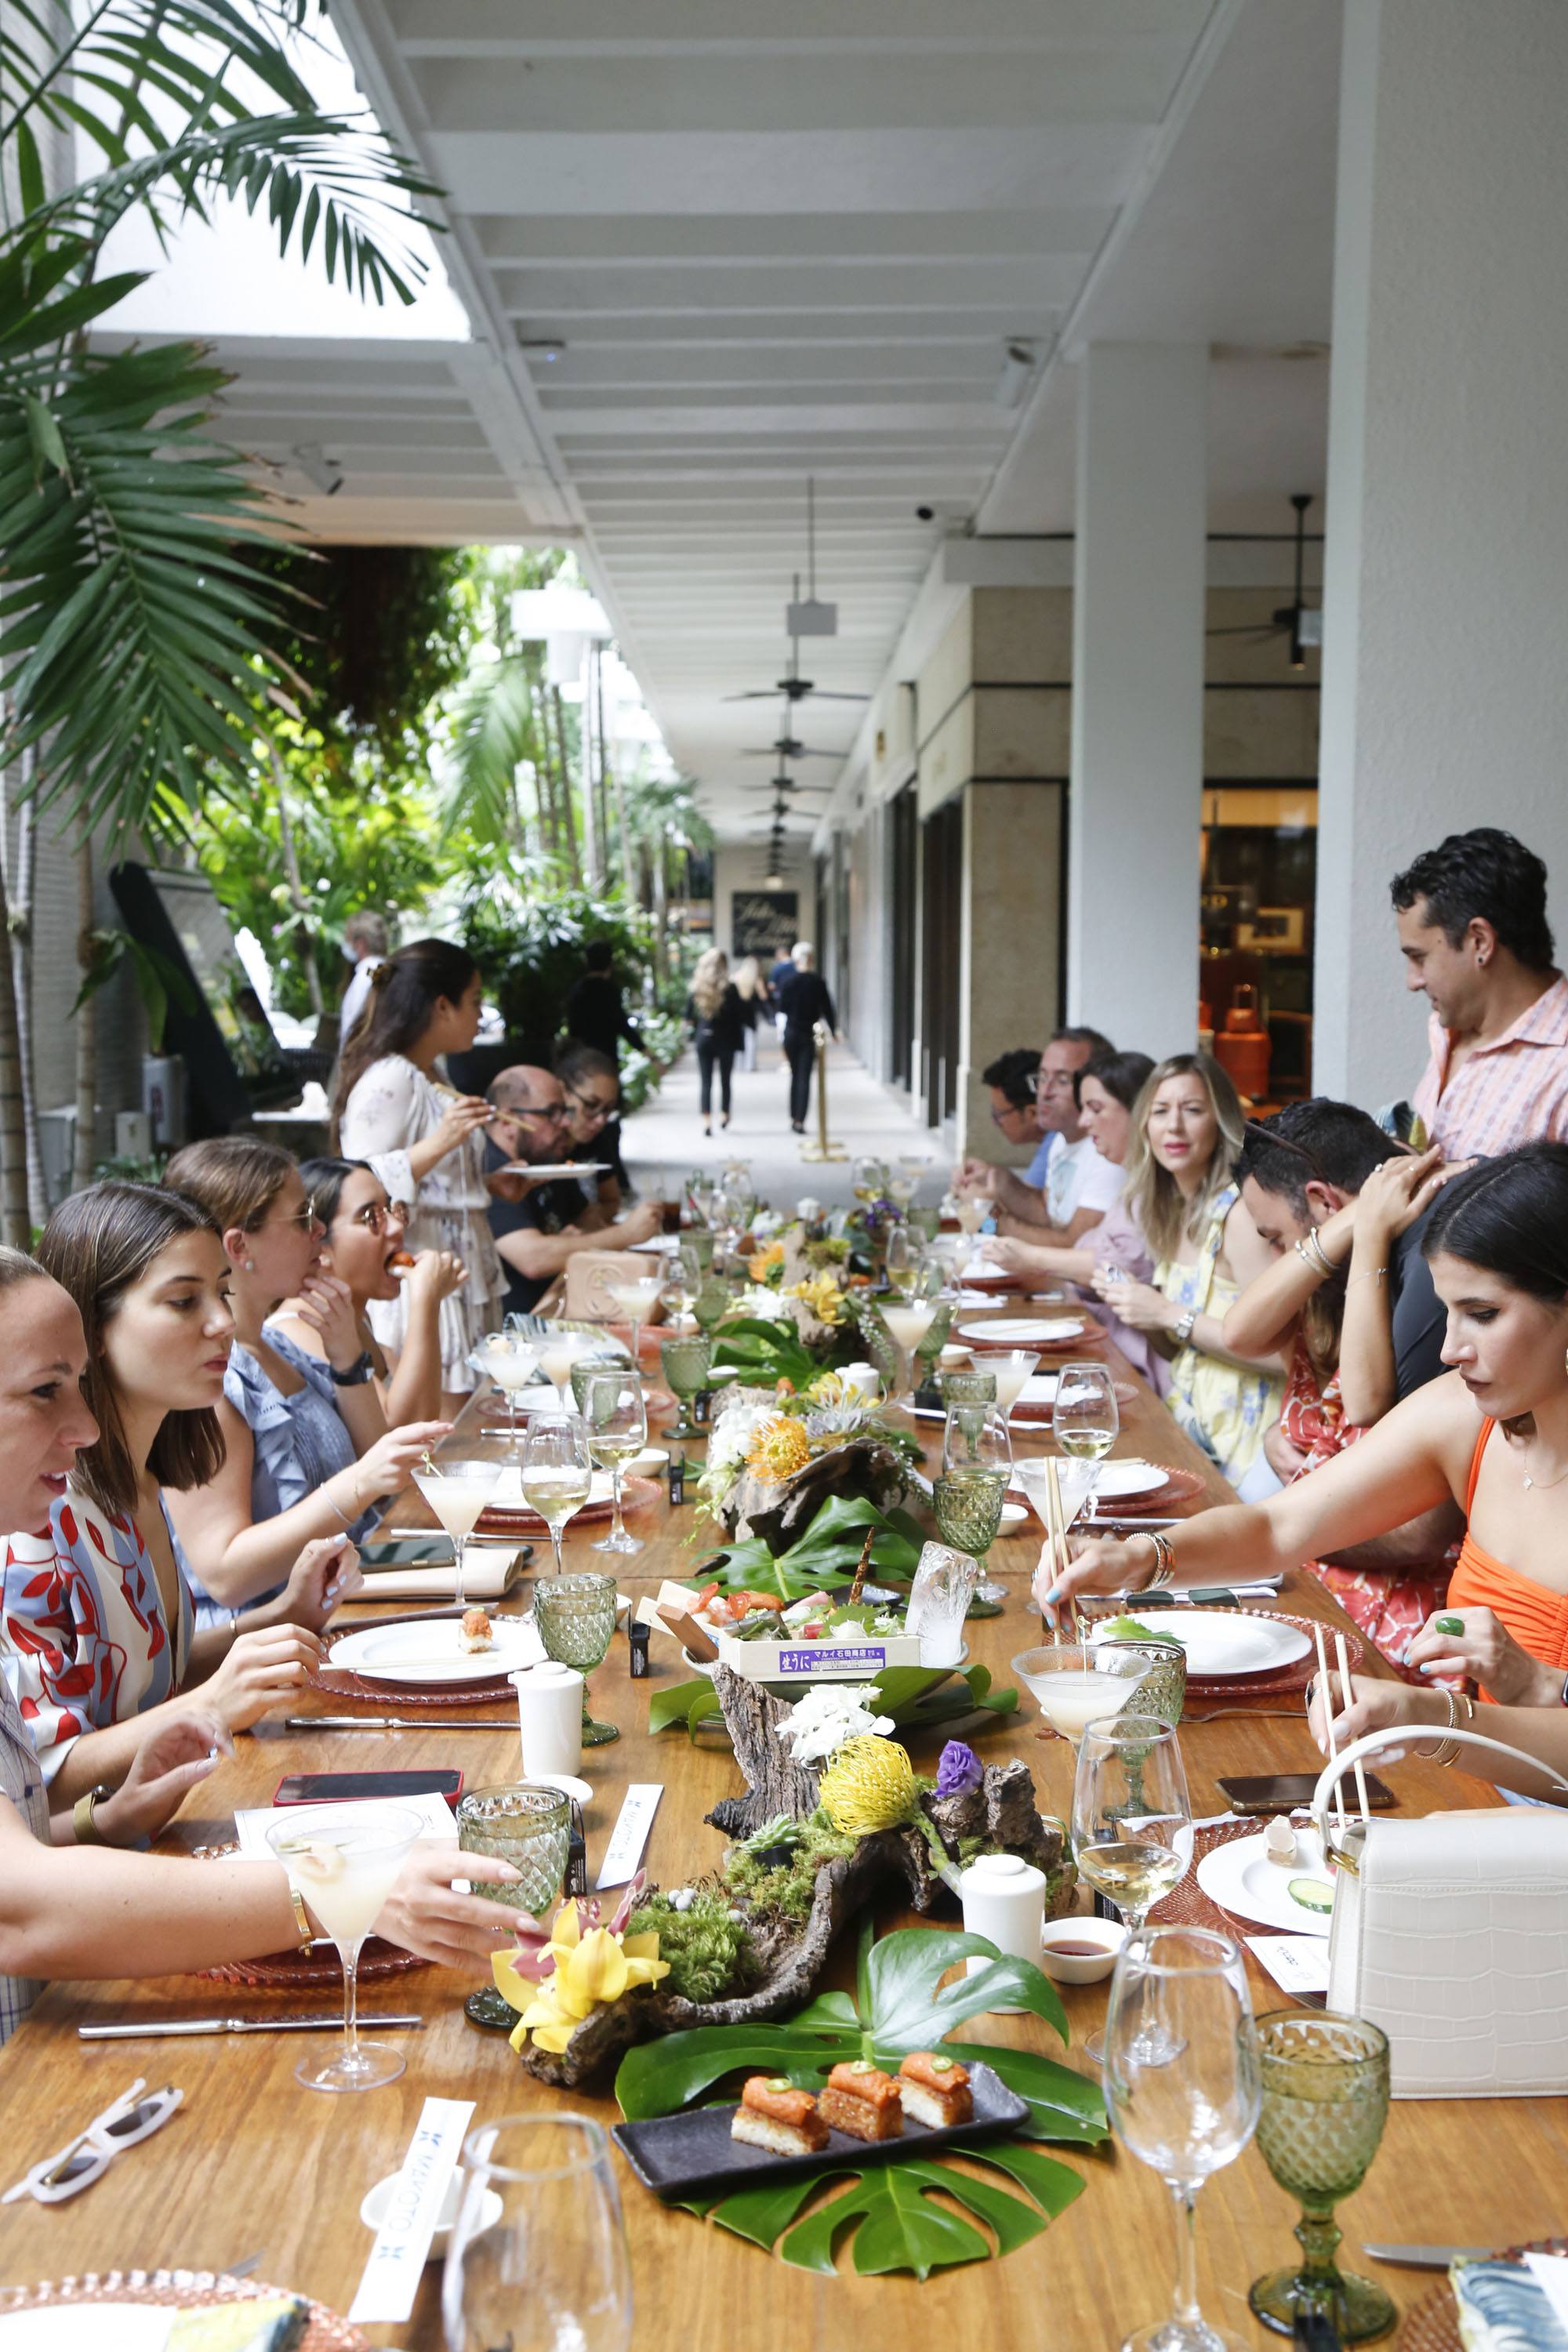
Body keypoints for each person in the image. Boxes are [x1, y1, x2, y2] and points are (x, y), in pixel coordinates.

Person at [0, 1243, 523, 2042]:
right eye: (44, 1393)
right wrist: (343, 1888)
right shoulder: (43, 1537)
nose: (79, 1427)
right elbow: (20, 1905)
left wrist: (104, 1823)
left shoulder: (120, 1494)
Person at [1036, 1146, 1568, 1715]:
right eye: (1448, 1313)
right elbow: (1277, 1526)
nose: (1449, 1349)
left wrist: (1528, 1691)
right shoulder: (1468, 1418)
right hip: (1475, 1774)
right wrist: (1133, 1558)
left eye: (1483, 1314)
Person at [1, 1188, 348, 1795]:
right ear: (95, 1326)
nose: (222, 1323)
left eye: (222, 1292)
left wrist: (279, 1617)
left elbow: (146, 1675)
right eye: (185, 1301)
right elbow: (41, 1772)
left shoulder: (140, 1482)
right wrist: (213, 1701)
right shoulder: (35, 1519)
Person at [163, 1142, 449, 1625]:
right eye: (301, 1218)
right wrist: (355, 1486)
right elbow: (226, 1575)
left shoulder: (280, 1350)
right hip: (268, 1650)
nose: (318, 1233)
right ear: (239, 1247)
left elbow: (381, 1485)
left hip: (345, 1609)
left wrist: (346, 1356)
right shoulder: (212, 1384)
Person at [1221, 1103, 1461, 1666]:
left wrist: (1367, 1232)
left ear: (1323, 1199)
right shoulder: (1321, 1291)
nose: (1279, 1255)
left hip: (1366, 1586)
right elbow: (1241, 1332)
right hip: (1305, 1554)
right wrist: (1351, 1224)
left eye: (1274, 1237)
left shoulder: (1419, 1284)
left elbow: (1365, 1402)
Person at [1087, 1051, 1284, 1499]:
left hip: (1251, 1450)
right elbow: (1183, 1349)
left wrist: (1167, 1311)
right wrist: (1143, 1314)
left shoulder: (1238, 1215)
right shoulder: (1175, 1210)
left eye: (1192, 1110)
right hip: (1195, 1433)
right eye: (1160, 1112)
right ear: (1145, 1127)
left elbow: (1287, 1355)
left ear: (1221, 1122)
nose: (1174, 1126)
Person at [333, 938, 509, 1406]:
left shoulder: (431, 1073)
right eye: (475, 1000)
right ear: (442, 1005)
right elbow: (355, 1181)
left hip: (458, 1274)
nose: (480, 1012)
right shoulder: (391, 1078)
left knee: (469, 1422)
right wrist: (443, 1140)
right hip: (425, 1277)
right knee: (441, 1435)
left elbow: (437, 1182)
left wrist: (492, 1185)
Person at [982, 1051, 1164, 1386]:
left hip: (1129, 1364)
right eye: (1042, 1078)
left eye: (1094, 1109)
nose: (1084, 1121)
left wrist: (1027, 1253)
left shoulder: (1148, 1187)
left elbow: (1117, 1266)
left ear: (1139, 1111)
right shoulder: (1132, 1182)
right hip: (1099, 1342)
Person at [1393, 827, 1568, 1156]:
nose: (1412, 981)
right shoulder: (1447, 1030)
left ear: (1480, 941)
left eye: (1419, 957)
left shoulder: (1561, 1071)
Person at [270, 1157, 468, 1428]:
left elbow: (425, 1415)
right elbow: (400, 1430)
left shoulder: (354, 1317)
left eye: (391, 1209)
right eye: (372, 1217)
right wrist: (425, 1299)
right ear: (319, 1243)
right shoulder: (300, 1328)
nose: (398, 1228)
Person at [485, 1064, 660, 1316]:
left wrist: (567, 1242)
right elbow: (533, 1258)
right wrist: (627, 1234)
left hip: (571, 1301)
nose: (566, 1122)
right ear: (508, 1121)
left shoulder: (545, 1160)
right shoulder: (493, 1170)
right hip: (524, 1329)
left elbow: (589, 1218)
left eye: (565, 1111)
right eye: (552, 1113)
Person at [956, 1027, 1120, 1245]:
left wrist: (992, 1220)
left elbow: (1074, 1245)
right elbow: (1047, 1213)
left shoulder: (1110, 1153)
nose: (1044, 1091)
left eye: (1062, 1080)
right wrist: (998, 1178)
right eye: (1042, 1078)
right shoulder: (1062, 1139)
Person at [555, 1043, 625, 1224]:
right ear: (563, 1091)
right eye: (591, 1105)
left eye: (608, 1109)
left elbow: (612, 1201)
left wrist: (593, 1216)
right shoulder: (541, 1147)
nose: (600, 1120)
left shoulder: (598, 1141)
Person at [776, 942, 837, 1135]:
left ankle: (793, 1116)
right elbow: (828, 1009)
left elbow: (782, 1007)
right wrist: (834, 1031)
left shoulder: (788, 982)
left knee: (795, 1076)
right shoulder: (818, 982)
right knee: (804, 1077)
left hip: (791, 1032)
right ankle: (799, 1120)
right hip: (807, 1033)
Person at [686, 948, 745, 1137]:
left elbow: (687, 1017)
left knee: (705, 1081)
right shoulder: (731, 987)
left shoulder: (697, 987)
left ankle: (706, 1120)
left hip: (704, 1038)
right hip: (726, 1039)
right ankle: (725, 1115)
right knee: (725, 1080)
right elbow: (738, 1017)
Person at [338, 910, 388, 1042]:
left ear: (360, 943)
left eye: (347, 938)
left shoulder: (365, 977)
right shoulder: (385, 971)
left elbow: (351, 1028)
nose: (345, 944)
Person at [734, 955, 765, 1073]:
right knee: (751, 1039)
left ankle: (739, 1064)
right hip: (751, 1012)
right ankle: (750, 1064)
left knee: (739, 1037)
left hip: (738, 1012)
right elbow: (763, 997)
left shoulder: (736, 977)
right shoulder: (756, 980)